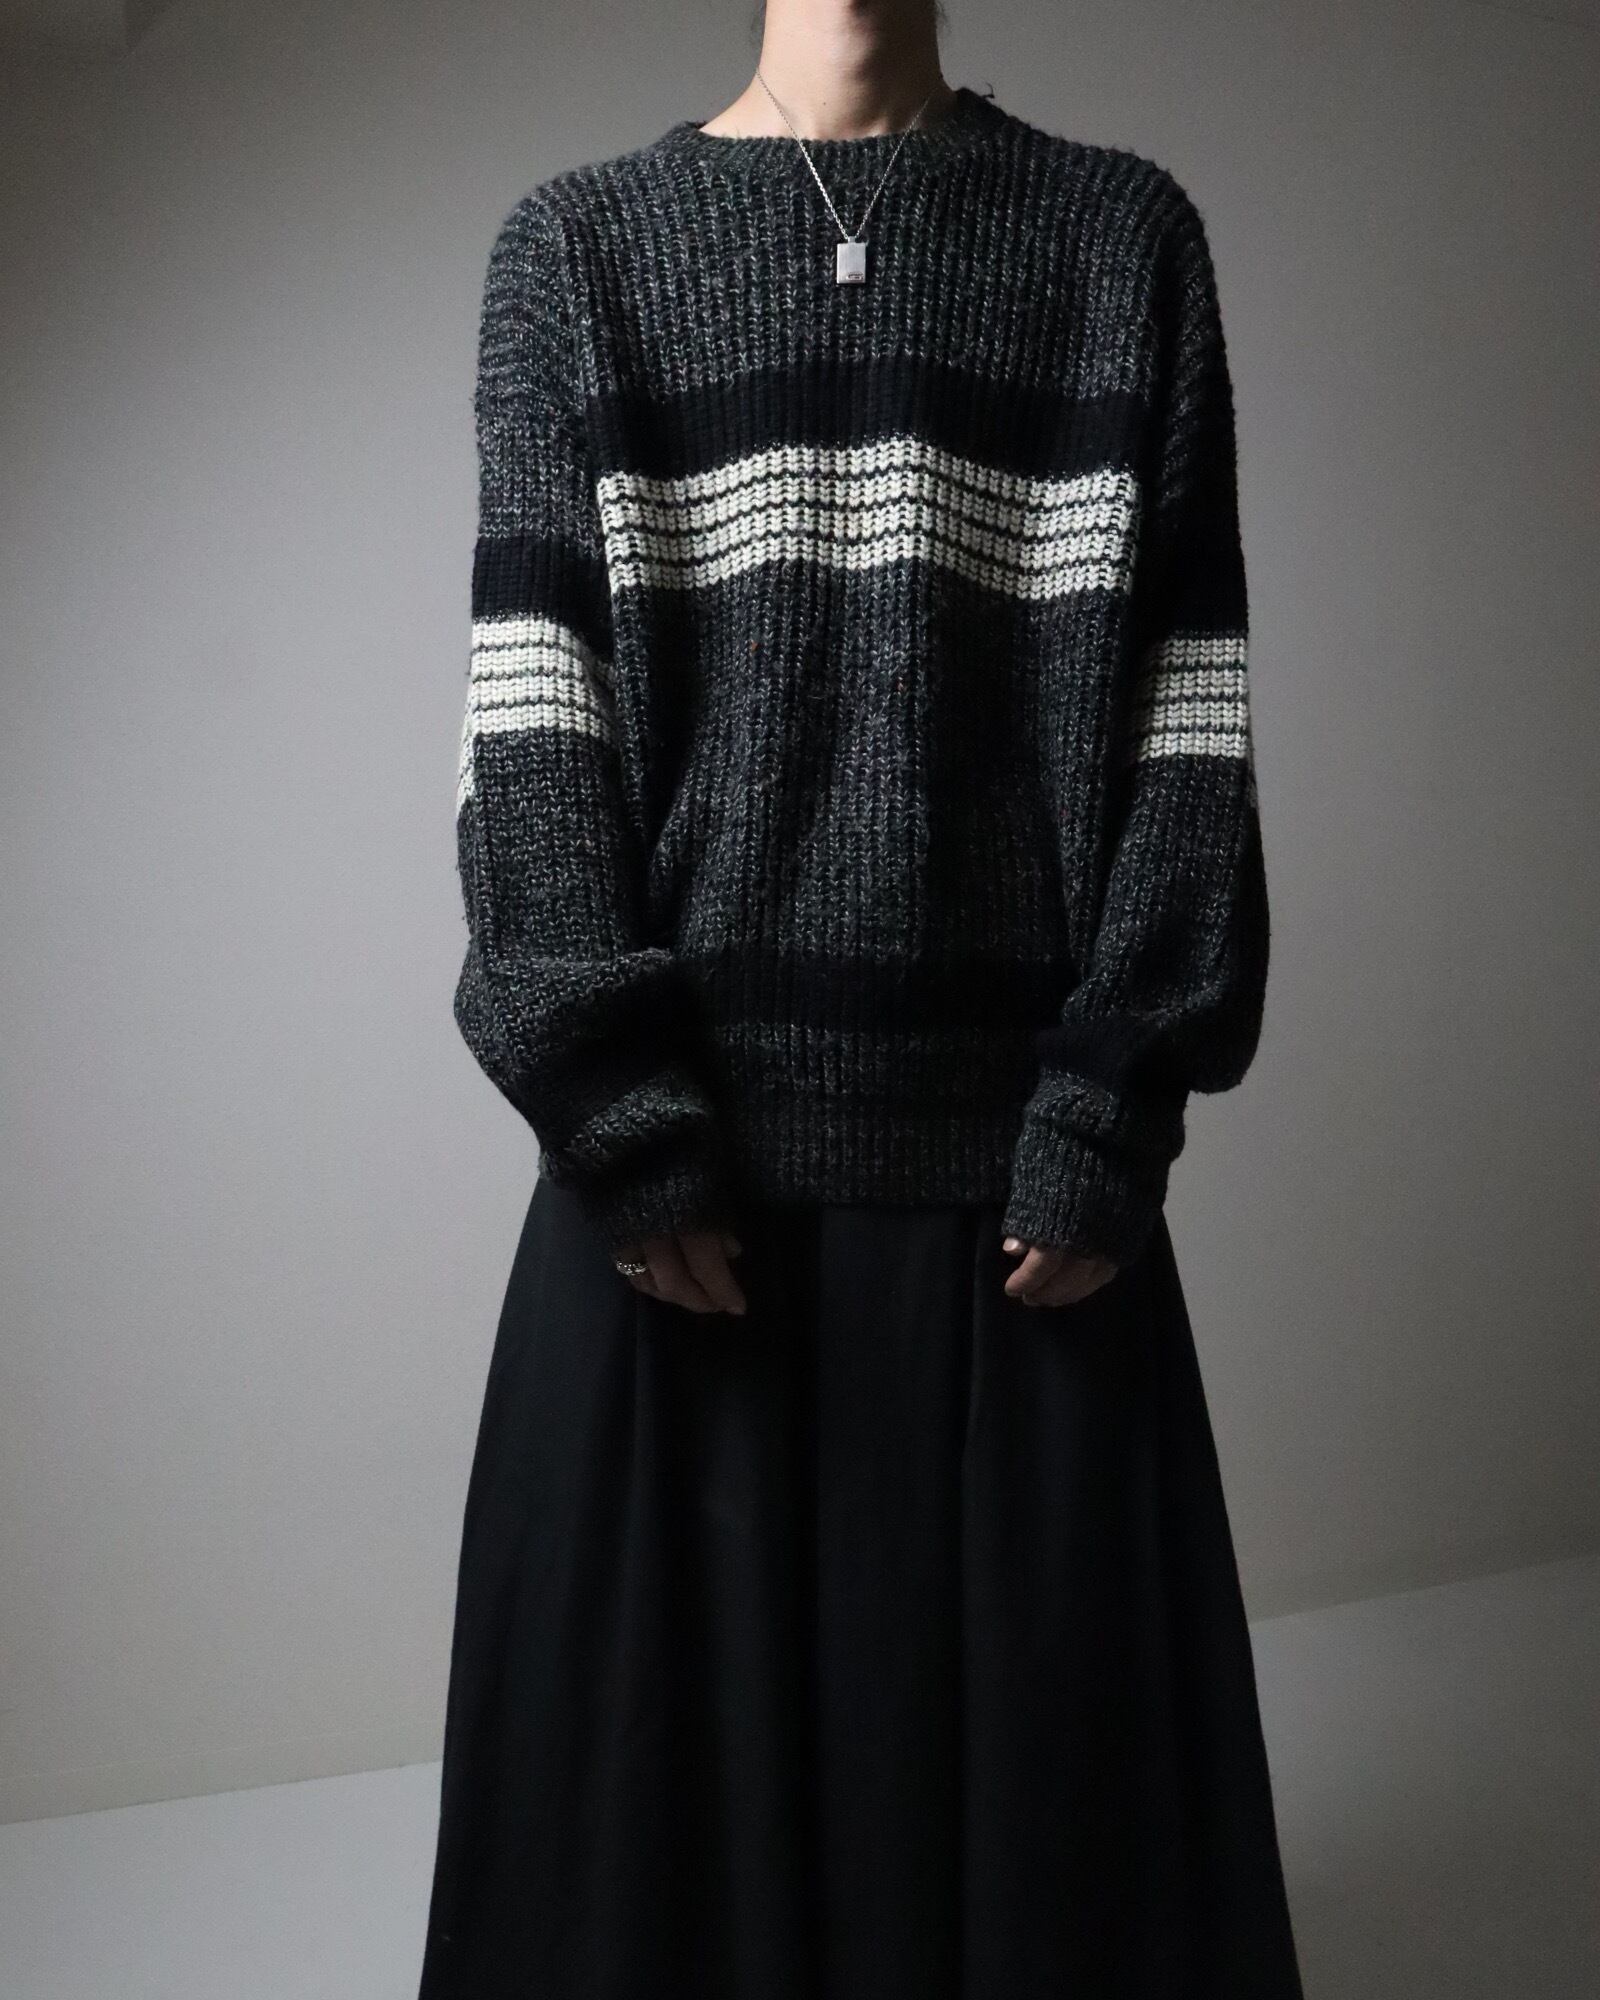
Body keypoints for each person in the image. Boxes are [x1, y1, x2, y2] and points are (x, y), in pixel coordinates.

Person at [417, 2, 1304, 1994]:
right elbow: (531, 724)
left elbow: (1190, 720)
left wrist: (1111, 1107)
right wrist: (617, 1118)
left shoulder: (1119, 240)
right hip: (678, 1209)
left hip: (1017, 1210)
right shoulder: (575, 250)